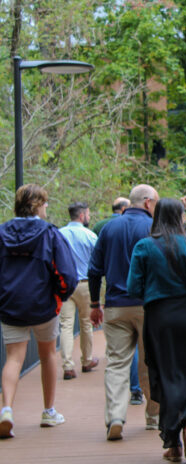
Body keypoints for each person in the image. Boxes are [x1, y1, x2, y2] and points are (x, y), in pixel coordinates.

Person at [127, 198, 186, 461]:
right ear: (180, 217)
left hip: (159, 317)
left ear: (156, 217)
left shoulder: (144, 246)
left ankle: (173, 445)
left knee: (164, 374)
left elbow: (133, 287)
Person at [0, 184, 78, 438]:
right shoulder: (49, 233)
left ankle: (6, 409)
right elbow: (67, 273)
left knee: (14, 358)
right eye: (45, 203)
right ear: (37, 205)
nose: (46, 208)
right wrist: (61, 295)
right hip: (44, 305)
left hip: (10, 304)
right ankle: (48, 411)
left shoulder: (2, 232)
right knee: (48, 355)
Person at [88, 184, 160, 441]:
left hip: (116, 305)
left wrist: (94, 304)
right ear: (148, 202)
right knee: (151, 361)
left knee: (117, 363)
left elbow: (94, 269)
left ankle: (115, 417)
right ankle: (153, 417)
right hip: (148, 305)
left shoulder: (109, 228)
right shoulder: (153, 227)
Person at [58, 202, 99, 380]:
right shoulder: (90, 235)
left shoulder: (59, 234)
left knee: (66, 325)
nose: (89, 217)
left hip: (64, 284)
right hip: (85, 284)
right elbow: (98, 260)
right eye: (88, 214)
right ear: (82, 216)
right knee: (86, 323)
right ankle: (86, 360)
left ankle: (68, 366)